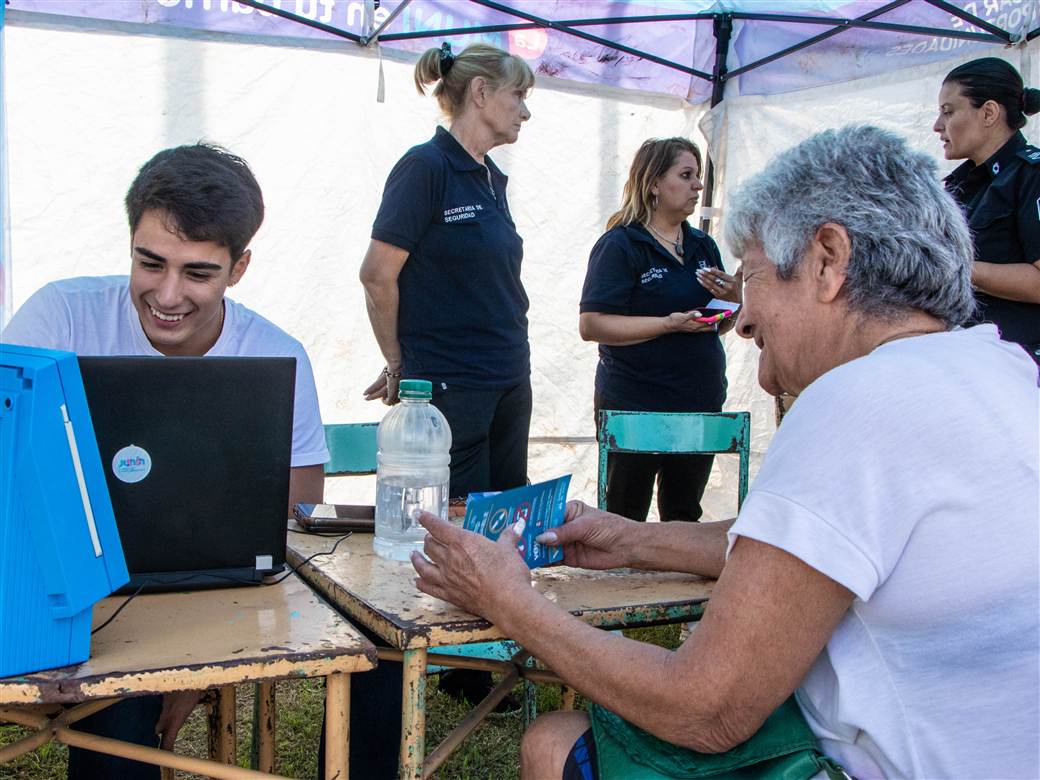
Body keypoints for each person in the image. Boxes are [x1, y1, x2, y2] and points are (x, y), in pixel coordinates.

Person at [410, 125, 1039, 779]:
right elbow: (806, 551)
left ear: (827, 259)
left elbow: (705, 710)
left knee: (553, 741)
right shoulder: (1002, 368)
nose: (740, 316)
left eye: (754, 275)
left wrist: (510, 603)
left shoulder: (859, 398)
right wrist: (631, 539)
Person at [2, 143, 330, 779]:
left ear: (239, 268)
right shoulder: (60, 316)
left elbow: (292, 521)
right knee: (121, 710)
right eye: (149, 263)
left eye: (199, 273)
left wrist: (200, 661)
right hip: (52, 587)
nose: (168, 294)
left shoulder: (275, 354)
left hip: (199, 600)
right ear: (129, 243)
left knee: (128, 711)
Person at [358, 41, 534, 707]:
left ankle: (477, 668)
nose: (524, 111)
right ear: (481, 93)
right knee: (442, 528)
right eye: (518, 95)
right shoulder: (426, 167)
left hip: (506, 373)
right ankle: (414, 659)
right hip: (448, 383)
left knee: (497, 522)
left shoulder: (490, 177)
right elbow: (378, 275)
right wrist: (401, 365)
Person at [579, 138, 740, 523]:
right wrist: (667, 324)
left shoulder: (703, 245)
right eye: (686, 175)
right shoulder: (622, 244)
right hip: (635, 403)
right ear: (653, 183)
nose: (697, 186)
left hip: (698, 400)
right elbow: (592, 324)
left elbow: (718, 326)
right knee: (623, 515)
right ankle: (618, 585)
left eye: (698, 177)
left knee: (684, 516)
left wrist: (734, 301)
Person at [935, 56, 1040, 364]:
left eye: (948, 112)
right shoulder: (962, 184)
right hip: (973, 360)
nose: (937, 125)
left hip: (1024, 371)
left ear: (989, 112)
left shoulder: (1031, 175)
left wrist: (957, 268)